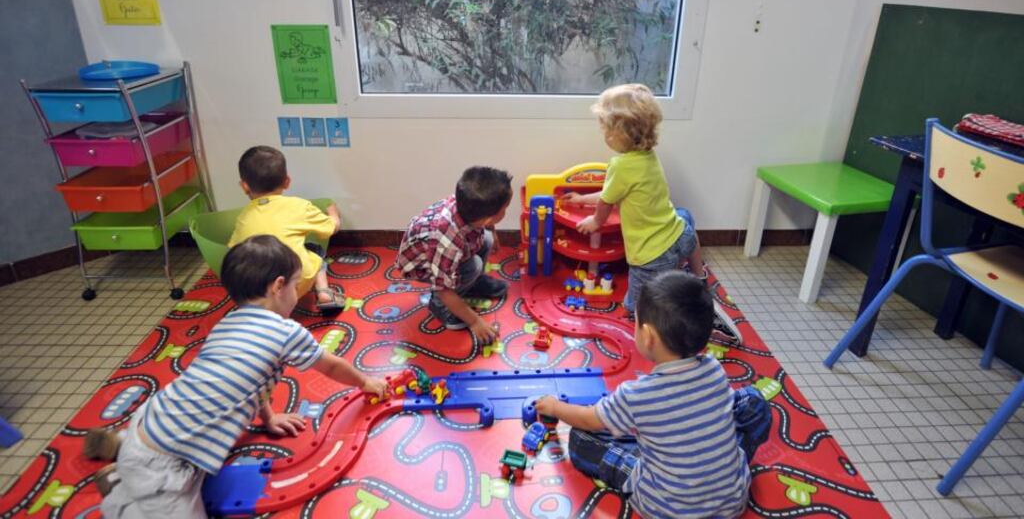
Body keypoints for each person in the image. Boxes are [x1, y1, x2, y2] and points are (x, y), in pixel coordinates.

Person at [90, 235, 387, 518]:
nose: (298, 294)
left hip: (156, 416)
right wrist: (365, 382)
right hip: (165, 466)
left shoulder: (228, 322)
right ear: (278, 286)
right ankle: (120, 492)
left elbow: (248, 381)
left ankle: (123, 447)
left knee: (165, 433)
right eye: (297, 286)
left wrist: (268, 418)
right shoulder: (285, 331)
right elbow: (331, 366)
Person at [535, 271, 771, 519]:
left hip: (667, 509)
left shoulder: (637, 395)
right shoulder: (714, 369)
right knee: (754, 400)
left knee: (581, 439)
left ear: (647, 336)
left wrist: (555, 407)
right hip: (731, 501)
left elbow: (588, 420)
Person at [563, 83, 741, 342]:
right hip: (680, 233)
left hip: (651, 254)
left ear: (620, 133)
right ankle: (699, 279)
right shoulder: (647, 155)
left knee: (635, 307)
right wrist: (582, 199)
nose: (603, 134)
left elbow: (607, 201)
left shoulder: (620, 165)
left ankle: (700, 322)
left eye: (605, 128)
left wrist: (595, 221)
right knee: (686, 222)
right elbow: (612, 191)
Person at [395, 166, 512, 344]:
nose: (506, 211)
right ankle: (438, 306)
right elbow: (443, 289)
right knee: (473, 266)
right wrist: (475, 322)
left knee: (486, 239)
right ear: (489, 217)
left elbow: (485, 223)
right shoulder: (446, 239)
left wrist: (492, 231)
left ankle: (473, 283)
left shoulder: (469, 205)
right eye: (505, 209)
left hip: (446, 252)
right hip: (423, 264)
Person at [228, 145, 344, 310]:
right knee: (315, 249)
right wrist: (332, 211)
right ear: (287, 181)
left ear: (244, 186)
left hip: (258, 291)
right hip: (296, 282)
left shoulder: (244, 216)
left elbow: (235, 249)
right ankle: (323, 291)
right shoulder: (299, 206)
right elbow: (332, 227)